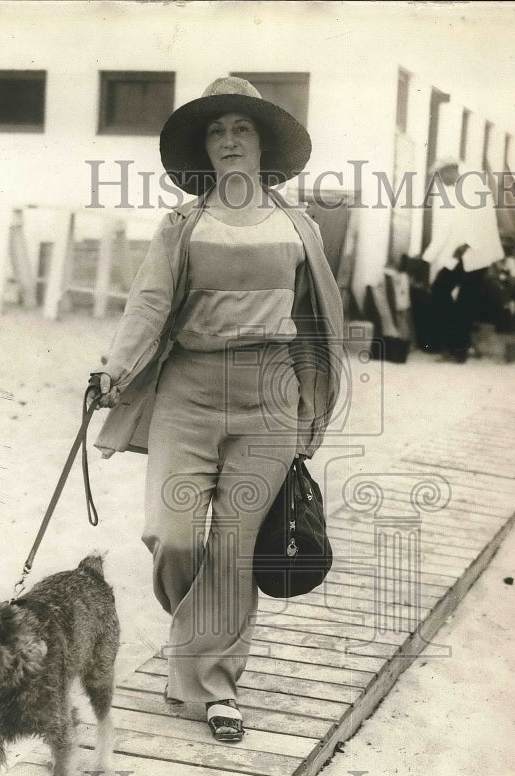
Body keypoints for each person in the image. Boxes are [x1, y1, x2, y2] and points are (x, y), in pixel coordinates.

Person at [90, 78, 343, 742]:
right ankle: (195, 644)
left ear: (263, 144)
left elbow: (318, 323)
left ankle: (216, 688)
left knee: (234, 547)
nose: (229, 140)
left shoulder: (299, 226)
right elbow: (146, 306)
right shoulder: (183, 224)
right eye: (216, 131)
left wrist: (311, 404)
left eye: (242, 129)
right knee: (170, 536)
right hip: (189, 392)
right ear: (206, 148)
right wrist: (115, 371)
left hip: (269, 396)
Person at [422, 157, 506, 362]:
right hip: (461, 255)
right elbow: (446, 229)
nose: (440, 181)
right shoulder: (454, 193)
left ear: (451, 170)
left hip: (477, 255)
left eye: (440, 176)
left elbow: (485, 219)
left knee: (464, 302)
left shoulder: (473, 185)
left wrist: (467, 244)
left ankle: (458, 350)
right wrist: (427, 257)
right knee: (440, 290)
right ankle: (455, 344)